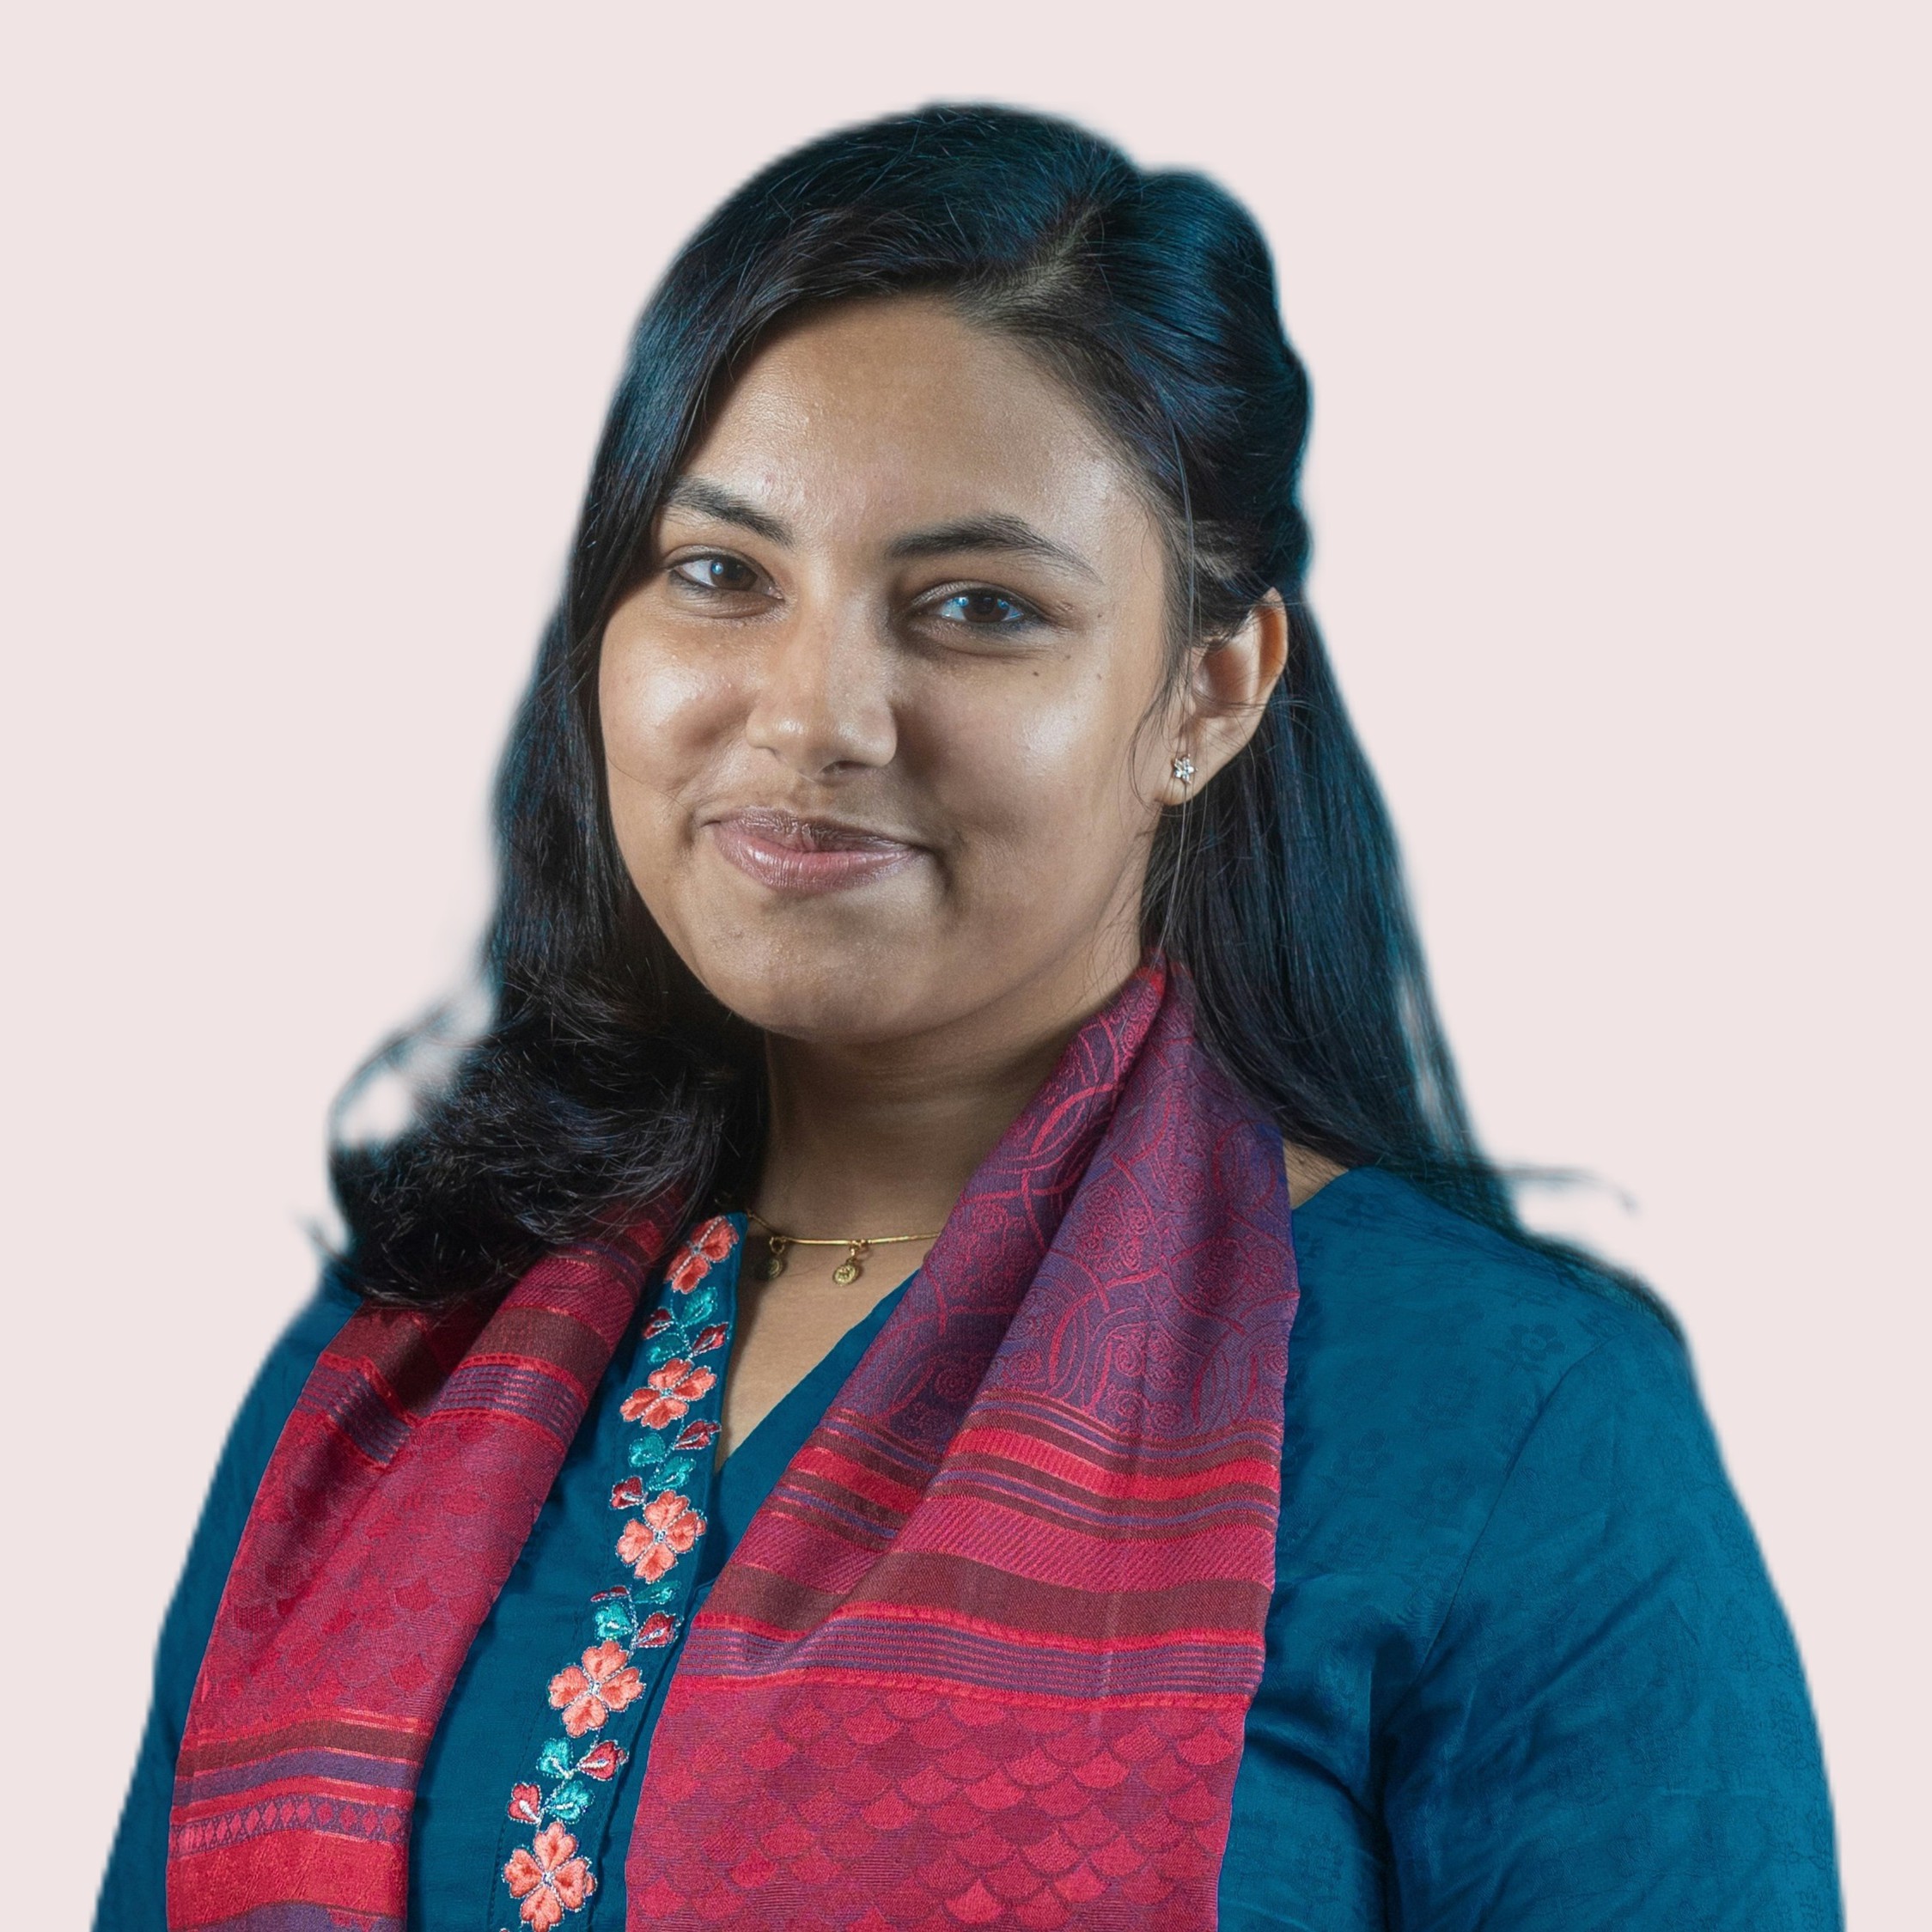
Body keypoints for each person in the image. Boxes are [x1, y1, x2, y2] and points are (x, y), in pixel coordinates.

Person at [98, 104, 1840, 1932]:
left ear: (1208, 690)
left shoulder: (1509, 1420)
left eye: (977, 607)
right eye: (722, 575)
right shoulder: (397, 1361)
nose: (814, 713)